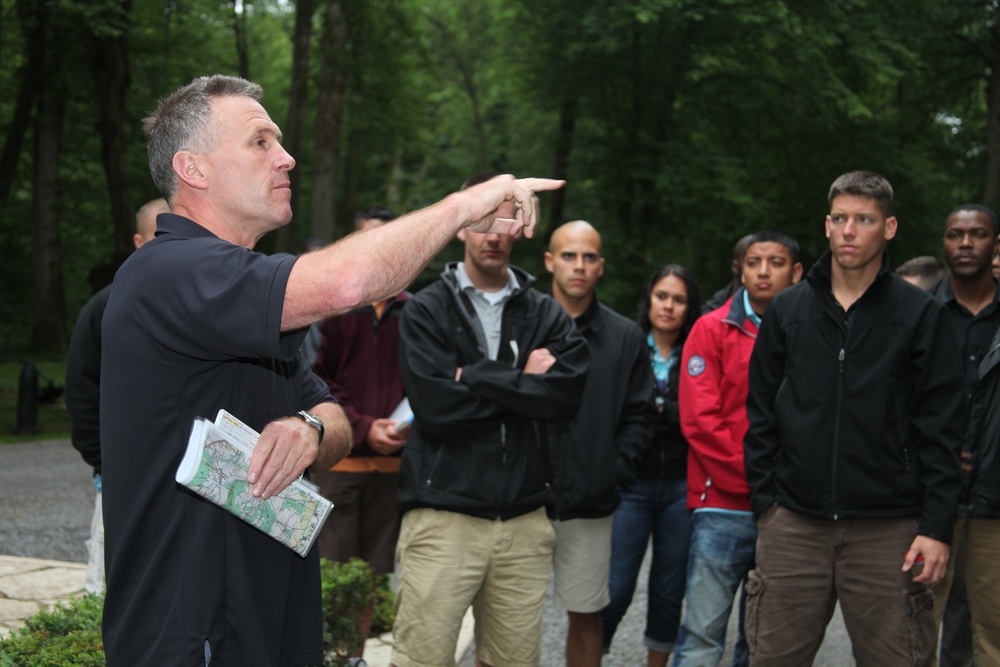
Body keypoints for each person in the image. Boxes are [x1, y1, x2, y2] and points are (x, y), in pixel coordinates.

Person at [99, 74, 564, 667]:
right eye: (261, 142)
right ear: (193, 169)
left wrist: (309, 430)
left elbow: (332, 415)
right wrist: (463, 206)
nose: (286, 157)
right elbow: (349, 281)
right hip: (189, 634)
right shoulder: (168, 272)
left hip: (270, 619)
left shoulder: (243, 294)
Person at [743, 170, 965, 666]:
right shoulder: (788, 311)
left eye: (863, 220)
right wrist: (768, 506)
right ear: (826, 225)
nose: (849, 230)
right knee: (773, 658)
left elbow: (942, 427)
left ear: (888, 228)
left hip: (889, 530)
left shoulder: (920, 315)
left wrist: (935, 526)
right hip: (794, 525)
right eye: (840, 218)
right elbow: (760, 414)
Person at [391, 173, 589, 667]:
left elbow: (564, 397)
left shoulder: (545, 312)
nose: (495, 234)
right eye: (484, 220)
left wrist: (474, 375)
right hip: (443, 518)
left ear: (520, 228)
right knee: (421, 660)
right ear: (461, 225)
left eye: (508, 220)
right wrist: (523, 379)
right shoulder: (426, 311)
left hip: (524, 523)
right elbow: (437, 409)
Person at [672, 229, 803, 667]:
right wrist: (757, 479)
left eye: (776, 262)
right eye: (753, 262)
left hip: (789, 511)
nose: (764, 271)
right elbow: (700, 421)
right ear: (739, 270)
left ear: (797, 272)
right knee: (702, 635)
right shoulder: (711, 329)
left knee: (764, 642)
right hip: (724, 505)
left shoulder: (810, 334)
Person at [542, 220, 655, 667]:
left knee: (587, 614)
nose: (579, 266)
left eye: (589, 257)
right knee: (508, 617)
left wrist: (612, 470)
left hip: (590, 501)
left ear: (601, 266)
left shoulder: (625, 336)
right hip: (521, 499)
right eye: (569, 255)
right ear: (550, 261)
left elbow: (641, 413)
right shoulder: (522, 323)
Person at [309, 205, 409, 659]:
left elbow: (429, 382)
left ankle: (355, 655)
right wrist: (366, 427)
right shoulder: (333, 306)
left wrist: (402, 428)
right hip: (340, 463)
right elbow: (318, 381)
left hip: (393, 467)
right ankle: (325, 653)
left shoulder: (417, 313)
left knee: (371, 574)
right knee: (330, 570)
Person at [64, 197, 167, 594]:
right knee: (112, 582)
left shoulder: (209, 300)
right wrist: (106, 460)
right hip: (121, 473)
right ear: (139, 242)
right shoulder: (105, 307)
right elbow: (82, 390)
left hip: (194, 476)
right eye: (159, 235)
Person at [601, 264, 702, 667]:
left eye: (679, 300)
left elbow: (700, 413)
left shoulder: (698, 348)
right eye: (662, 296)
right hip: (632, 484)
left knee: (668, 587)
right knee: (616, 584)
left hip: (681, 484)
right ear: (649, 299)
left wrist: (664, 408)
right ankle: (595, 650)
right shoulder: (628, 343)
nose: (669, 306)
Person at [929, 204, 1000, 667]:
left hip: (996, 502)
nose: (966, 243)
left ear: (995, 244)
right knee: (911, 627)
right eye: (956, 234)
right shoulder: (920, 314)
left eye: (977, 234)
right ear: (945, 243)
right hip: (927, 502)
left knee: (994, 634)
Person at [702, 235, 753, 314]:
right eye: (752, 263)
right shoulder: (712, 310)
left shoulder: (776, 308)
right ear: (735, 267)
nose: (762, 270)